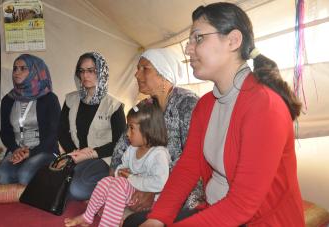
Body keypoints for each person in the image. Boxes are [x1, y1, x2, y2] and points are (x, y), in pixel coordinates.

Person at [131, 2, 305, 227]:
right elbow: (188, 166)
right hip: (219, 210)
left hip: (259, 221)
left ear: (233, 40)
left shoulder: (265, 106)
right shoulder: (205, 105)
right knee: (136, 222)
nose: (188, 48)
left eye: (198, 38)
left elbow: (242, 206)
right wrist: (157, 218)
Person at [110, 48, 201, 212]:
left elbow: (192, 160)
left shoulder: (187, 104)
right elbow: (122, 146)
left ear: (164, 74)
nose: (137, 75)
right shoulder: (145, 106)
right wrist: (111, 182)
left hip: (180, 186)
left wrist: (154, 191)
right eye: (138, 69)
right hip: (145, 178)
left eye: (145, 69)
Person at [64, 98, 171, 227]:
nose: (127, 133)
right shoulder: (132, 149)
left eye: (131, 128)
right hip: (130, 193)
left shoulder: (158, 154)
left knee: (120, 183)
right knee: (106, 181)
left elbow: (159, 183)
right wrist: (120, 171)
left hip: (149, 201)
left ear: (148, 130)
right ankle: (87, 216)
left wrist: (130, 178)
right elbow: (121, 167)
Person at [58, 52, 126, 200]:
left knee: (76, 190)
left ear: (102, 73)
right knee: (57, 181)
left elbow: (120, 143)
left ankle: (103, 186)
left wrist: (89, 154)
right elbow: (61, 131)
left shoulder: (114, 105)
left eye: (91, 70)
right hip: (75, 154)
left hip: (102, 158)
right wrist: (74, 152)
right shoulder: (70, 99)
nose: (85, 75)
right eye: (81, 71)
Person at [0, 54, 61, 185]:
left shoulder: (49, 98)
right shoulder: (8, 99)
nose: (16, 72)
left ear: (34, 71)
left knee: (25, 176)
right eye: (15, 68)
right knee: (2, 176)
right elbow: (5, 132)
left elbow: (54, 133)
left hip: (44, 150)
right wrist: (15, 149)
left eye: (23, 68)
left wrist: (31, 153)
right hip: (18, 150)